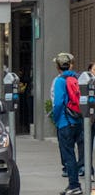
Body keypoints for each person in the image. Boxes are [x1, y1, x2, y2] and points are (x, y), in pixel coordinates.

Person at [52, 52, 84, 195]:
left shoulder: (60, 81)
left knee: (69, 155)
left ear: (58, 66)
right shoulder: (76, 78)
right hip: (78, 120)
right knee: (79, 152)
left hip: (65, 122)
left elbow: (58, 103)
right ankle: (77, 183)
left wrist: (56, 118)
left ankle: (74, 185)